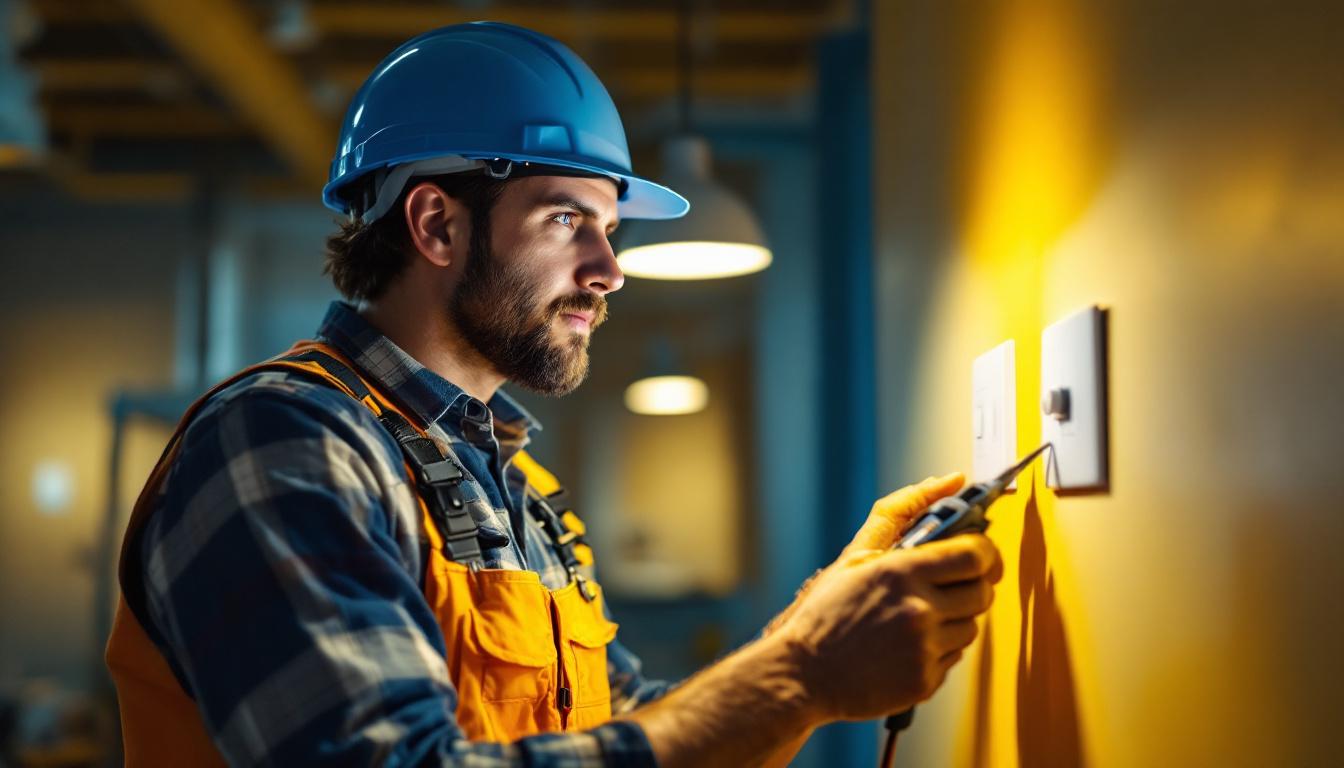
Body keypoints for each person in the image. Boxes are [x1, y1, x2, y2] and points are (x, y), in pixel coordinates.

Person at [105, 22, 1002, 768]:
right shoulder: (286, 440)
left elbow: (638, 730)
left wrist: (815, 625)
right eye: (567, 219)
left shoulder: (513, 488)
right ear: (437, 224)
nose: (610, 270)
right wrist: (800, 672)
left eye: (608, 228)